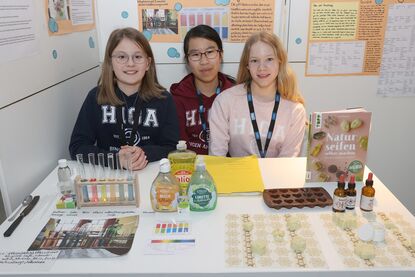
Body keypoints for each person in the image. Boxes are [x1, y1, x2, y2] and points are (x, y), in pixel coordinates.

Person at [69, 27, 179, 170]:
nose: (130, 63)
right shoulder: (96, 98)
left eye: (138, 57)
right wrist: (114, 159)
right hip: (111, 176)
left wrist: (144, 154)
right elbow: (77, 147)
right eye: (121, 57)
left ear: (148, 63)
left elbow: (173, 147)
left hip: (152, 174)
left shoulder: (164, 99)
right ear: (110, 63)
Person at [209, 31, 307, 158]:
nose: (262, 67)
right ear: (247, 65)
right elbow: (217, 157)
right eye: (255, 61)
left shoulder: (295, 110)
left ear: (280, 61)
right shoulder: (225, 101)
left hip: (277, 177)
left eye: (269, 59)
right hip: (236, 176)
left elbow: (287, 163)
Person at [170, 24, 235, 155]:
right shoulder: (177, 98)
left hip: (228, 167)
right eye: (195, 54)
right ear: (187, 61)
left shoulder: (236, 95)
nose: (204, 61)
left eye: (210, 52)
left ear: (220, 55)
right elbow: (178, 147)